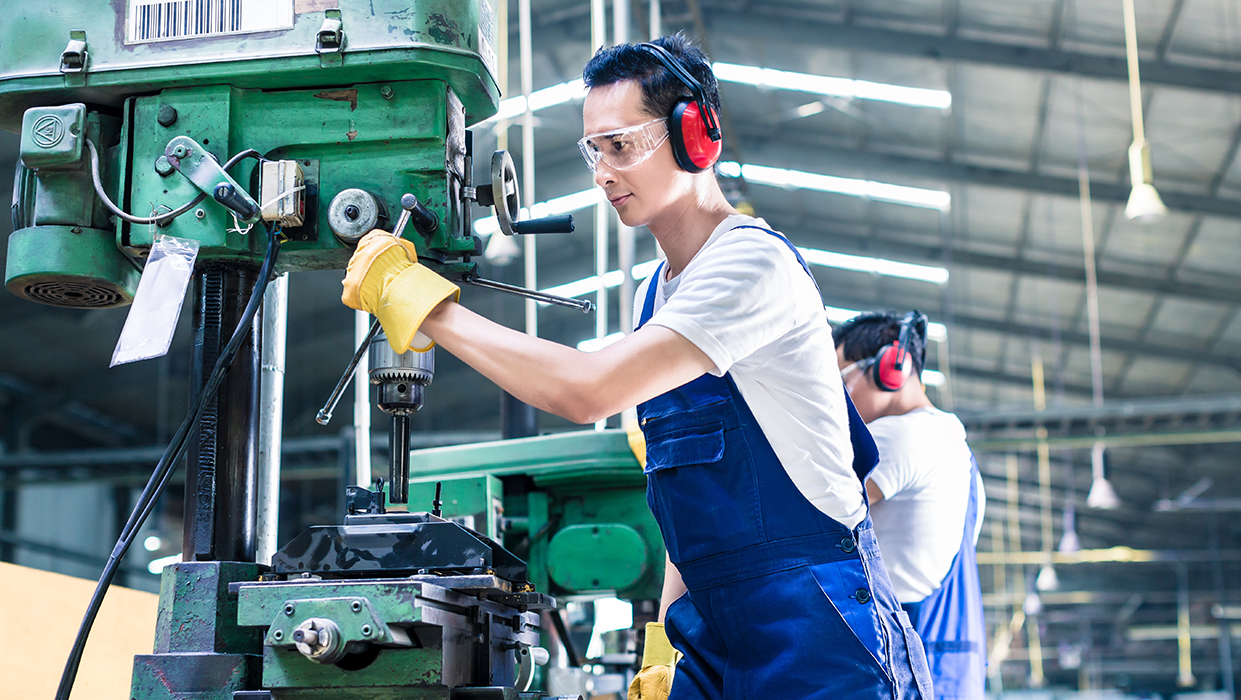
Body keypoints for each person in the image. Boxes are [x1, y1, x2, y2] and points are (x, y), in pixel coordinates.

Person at [341, 34, 931, 700]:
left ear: (695, 136)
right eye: (594, 151)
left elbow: (585, 390)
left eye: (620, 146)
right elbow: (688, 503)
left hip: (819, 627)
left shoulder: (750, 265)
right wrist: (663, 637)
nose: (602, 174)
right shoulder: (659, 293)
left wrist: (419, 303)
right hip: (711, 631)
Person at [834, 311, 987, 700]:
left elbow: (815, 514)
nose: (836, 397)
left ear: (892, 367)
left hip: (900, 663)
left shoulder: (897, 434)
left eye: (842, 379)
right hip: (948, 665)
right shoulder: (957, 449)